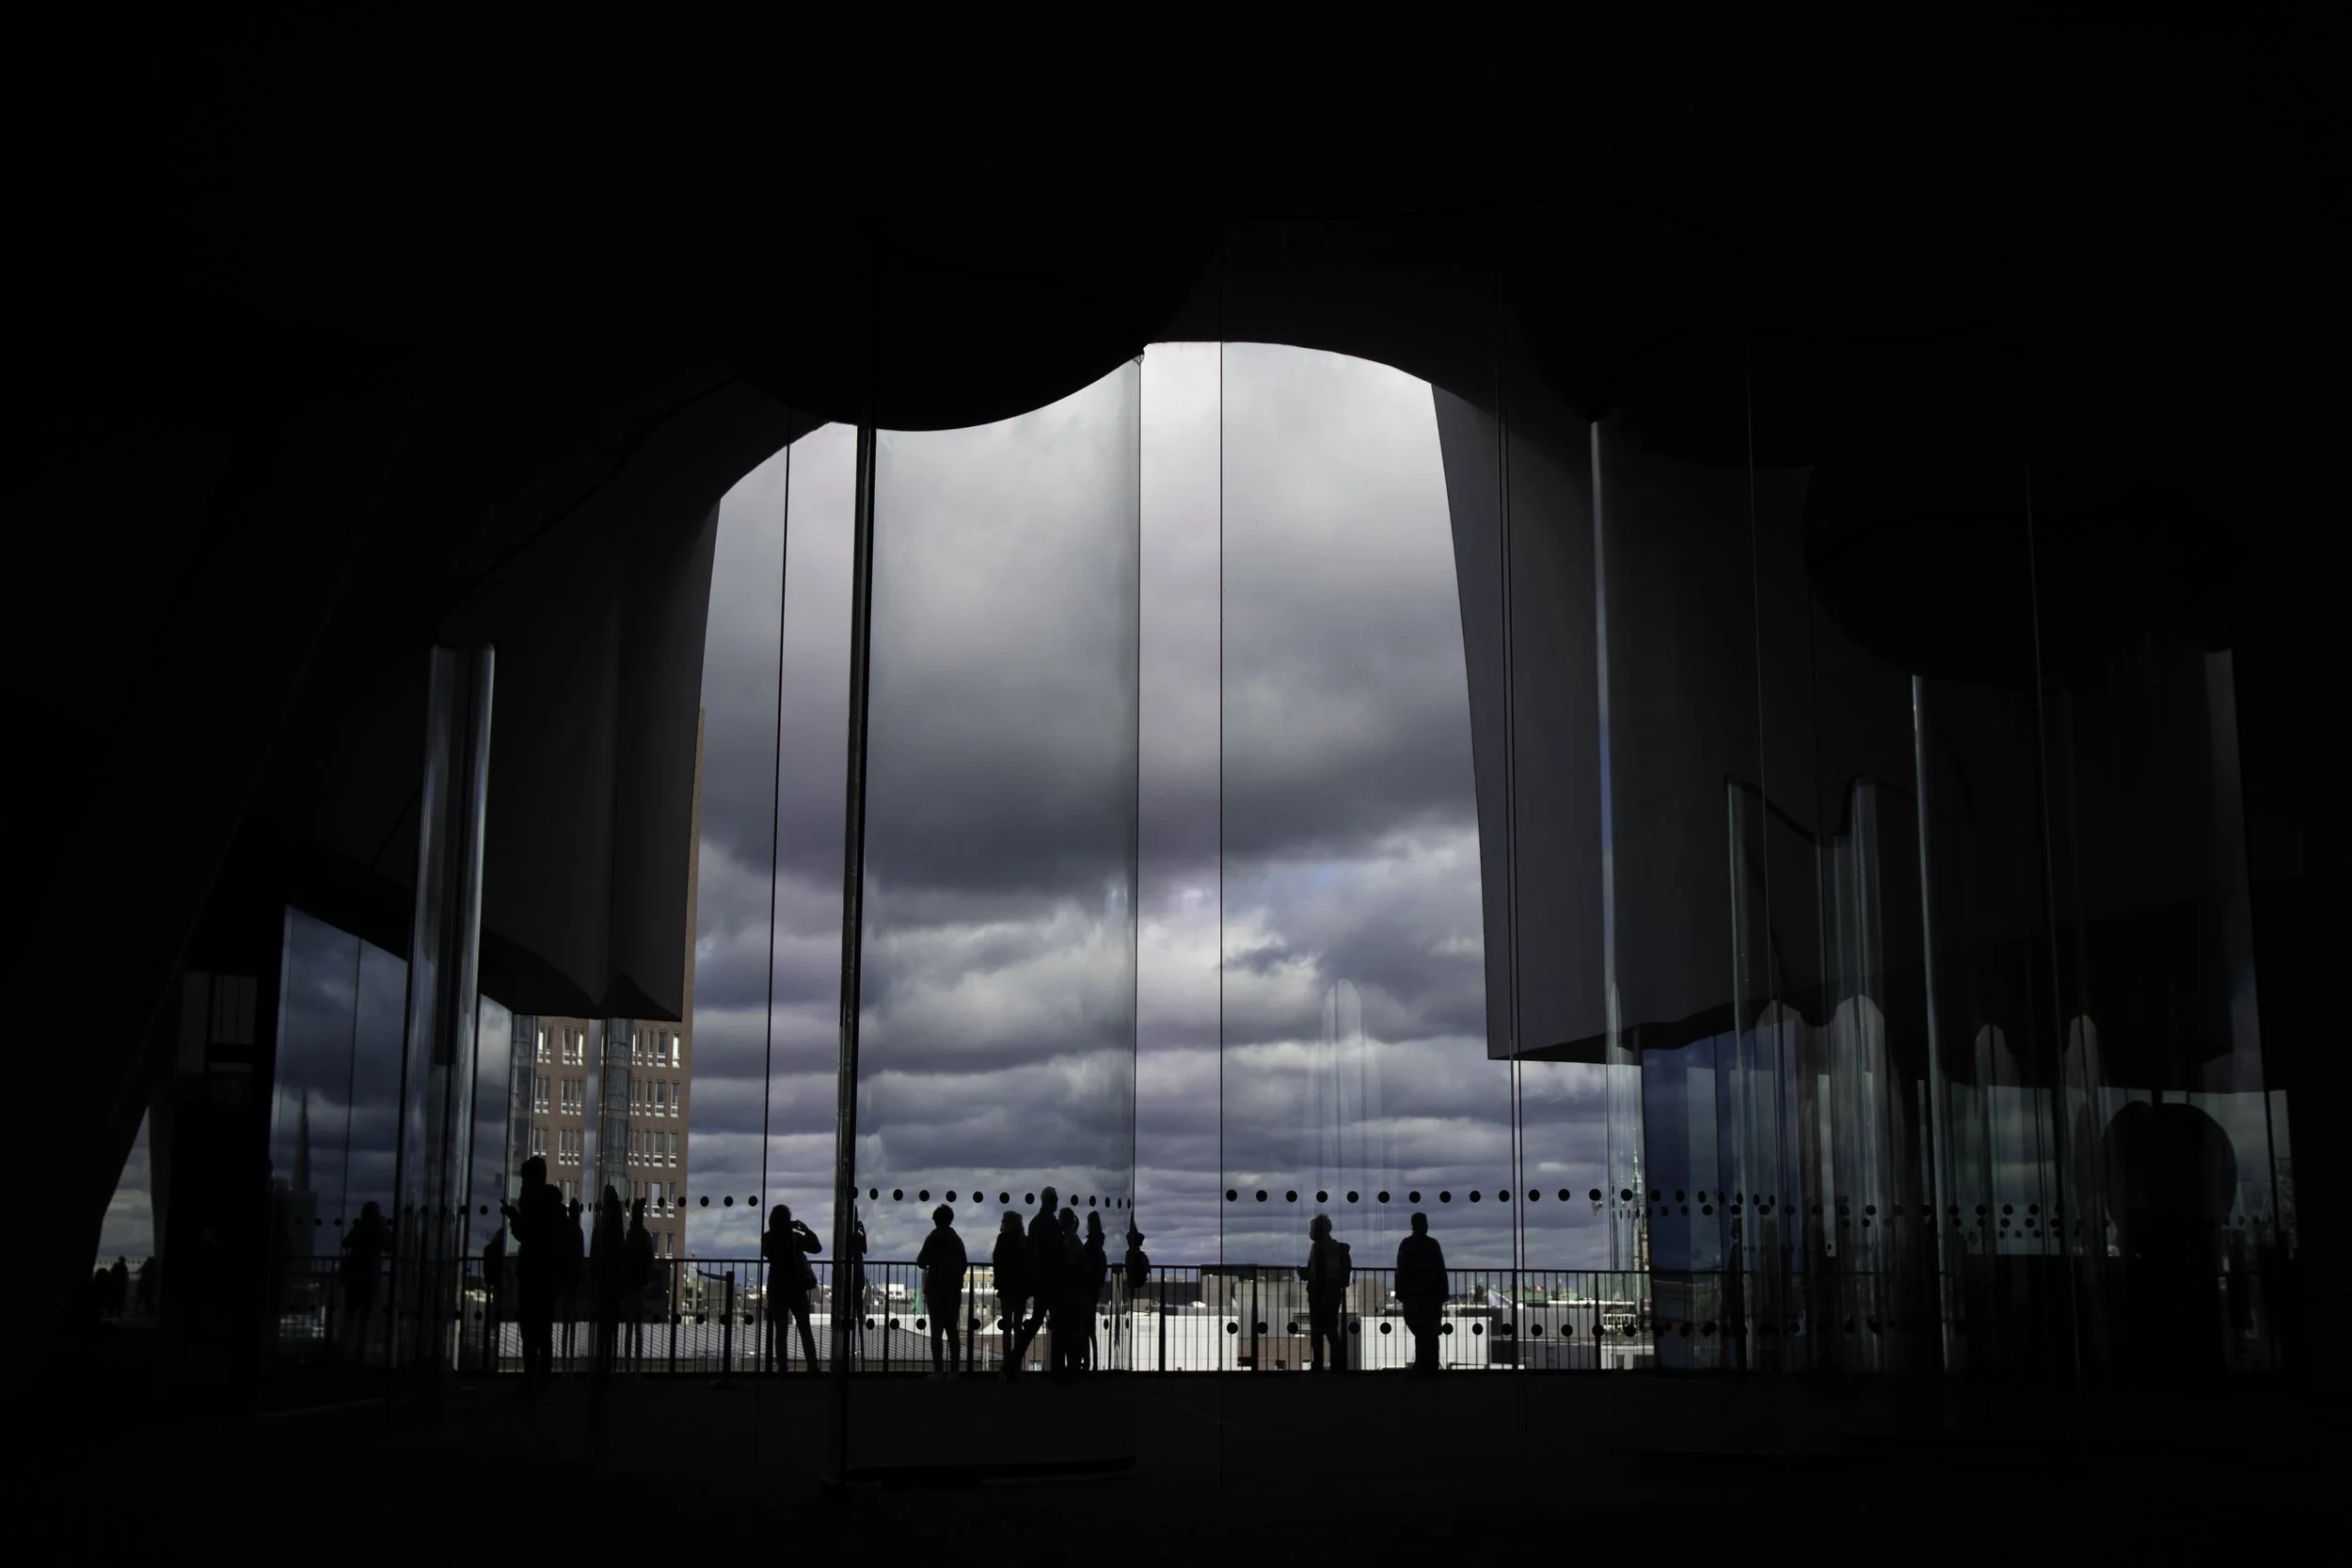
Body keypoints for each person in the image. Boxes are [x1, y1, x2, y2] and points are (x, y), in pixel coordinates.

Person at [501, 1161, 564, 1397]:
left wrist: (515, 1217)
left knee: (529, 1331)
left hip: (532, 1276)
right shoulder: (553, 1207)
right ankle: (542, 1378)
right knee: (542, 1332)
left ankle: (531, 1378)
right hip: (546, 1278)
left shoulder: (533, 1204)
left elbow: (528, 1235)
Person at [1008, 1186, 1063, 1375]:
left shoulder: (1036, 1223)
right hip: (1052, 1282)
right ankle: (1058, 1368)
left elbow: (1033, 1254)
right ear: (1052, 1201)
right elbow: (1057, 1255)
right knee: (1058, 1324)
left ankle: (1012, 1363)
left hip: (1040, 1281)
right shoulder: (1052, 1225)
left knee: (1034, 1324)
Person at [761, 1205, 821, 1372]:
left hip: (777, 1288)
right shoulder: (795, 1238)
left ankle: (782, 1367)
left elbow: (767, 1252)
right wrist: (806, 1230)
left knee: (780, 1331)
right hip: (796, 1287)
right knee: (804, 1329)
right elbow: (817, 1248)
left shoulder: (768, 1238)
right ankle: (812, 1366)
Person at [916, 1205, 969, 1379]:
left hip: (936, 1289)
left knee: (936, 1331)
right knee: (952, 1331)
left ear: (936, 1220)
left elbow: (921, 1261)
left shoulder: (933, 1238)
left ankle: (938, 1370)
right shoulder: (957, 1239)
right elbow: (963, 1264)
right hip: (953, 1290)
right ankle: (954, 1370)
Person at [1394, 1212, 1447, 1373]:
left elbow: (1400, 1270)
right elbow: (1440, 1270)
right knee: (1431, 1331)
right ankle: (1431, 1363)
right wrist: (1443, 1292)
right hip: (1431, 1295)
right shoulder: (1433, 1244)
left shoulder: (1406, 1244)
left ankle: (1422, 1363)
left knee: (1419, 1329)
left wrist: (1400, 1291)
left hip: (1414, 1295)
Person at [340, 1200, 389, 1366]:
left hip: (355, 1278)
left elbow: (346, 1242)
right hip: (370, 1278)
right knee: (364, 1320)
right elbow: (390, 1246)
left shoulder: (359, 1228)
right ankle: (360, 1355)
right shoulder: (381, 1230)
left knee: (350, 1317)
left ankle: (344, 1352)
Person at [1300, 1214, 1352, 1372]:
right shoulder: (1337, 1248)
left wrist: (1304, 1274)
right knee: (1331, 1329)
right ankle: (1338, 1364)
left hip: (1318, 1293)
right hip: (1332, 1293)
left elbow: (1316, 1272)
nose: (1311, 1232)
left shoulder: (1318, 1248)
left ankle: (1318, 1364)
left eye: (1313, 1229)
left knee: (1318, 1331)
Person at [589, 1186, 625, 1378]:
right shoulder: (618, 1233)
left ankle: (601, 1362)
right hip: (613, 1286)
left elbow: (595, 1258)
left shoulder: (599, 1231)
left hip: (603, 1286)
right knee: (610, 1328)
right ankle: (608, 1363)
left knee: (603, 1327)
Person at [991, 1212, 1029, 1376]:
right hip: (1021, 1289)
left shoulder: (1003, 1239)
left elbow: (997, 1260)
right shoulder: (1024, 1240)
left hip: (1006, 1288)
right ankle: (1017, 1362)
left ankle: (1007, 1362)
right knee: (1018, 1327)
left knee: (1006, 1326)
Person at [624, 1196, 655, 1372]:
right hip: (640, 1286)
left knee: (630, 1328)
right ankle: (637, 1366)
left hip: (630, 1286)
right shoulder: (645, 1236)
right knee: (638, 1329)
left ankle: (629, 1364)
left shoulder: (630, 1236)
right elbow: (649, 1261)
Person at [1076, 1211, 1109, 1372]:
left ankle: (1087, 1362)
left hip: (1085, 1291)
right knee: (1091, 1330)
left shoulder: (1089, 1246)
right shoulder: (1099, 1244)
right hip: (1093, 1290)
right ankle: (1093, 1363)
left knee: (1084, 1329)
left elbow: (1082, 1266)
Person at [556, 1196, 585, 1372]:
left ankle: (564, 1361)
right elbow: (580, 1258)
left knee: (565, 1323)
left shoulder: (564, 1231)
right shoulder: (578, 1232)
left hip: (565, 1281)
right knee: (571, 1324)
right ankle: (569, 1363)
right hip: (574, 1282)